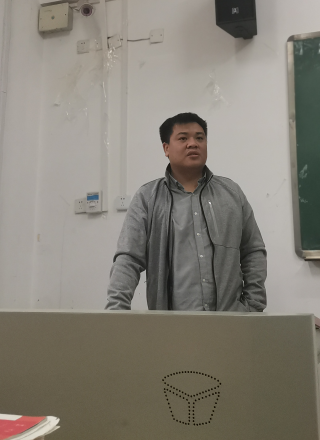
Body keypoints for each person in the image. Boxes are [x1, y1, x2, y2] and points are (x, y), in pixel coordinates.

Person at [106, 112, 267, 312]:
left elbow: (253, 250)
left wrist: (253, 305)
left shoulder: (231, 193)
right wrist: (117, 311)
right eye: (183, 138)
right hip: (171, 324)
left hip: (230, 321)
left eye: (200, 138)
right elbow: (128, 258)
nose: (193, 144)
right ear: (166, 148)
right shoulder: (147, 198)